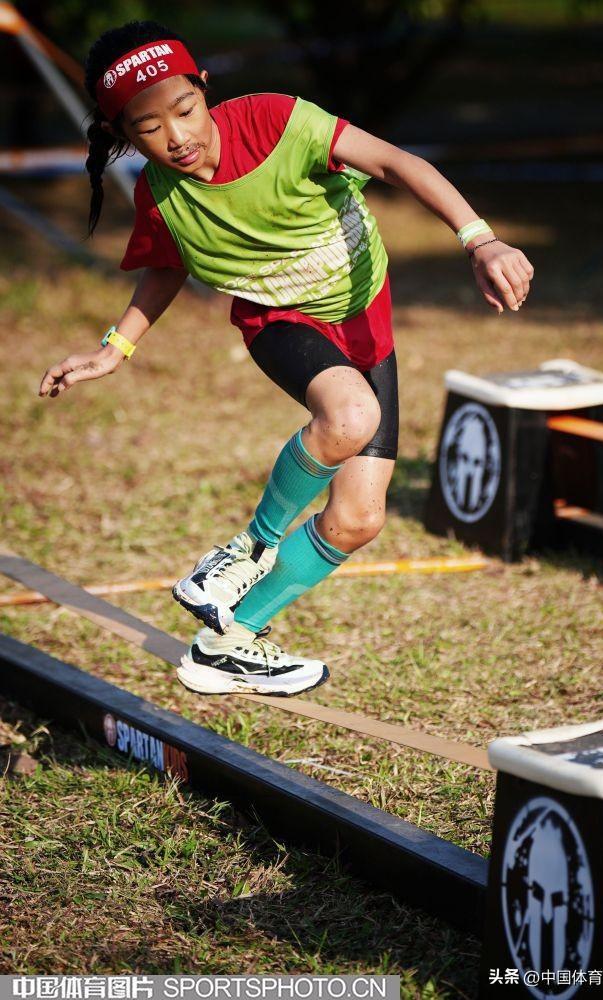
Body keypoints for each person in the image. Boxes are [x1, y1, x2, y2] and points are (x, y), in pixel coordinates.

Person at [39, 20, 534, 697]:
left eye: (185, 109)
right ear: (120, 131)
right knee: (350, 415)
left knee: (358, 518)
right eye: (149, 128)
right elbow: (167, 266)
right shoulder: (161, 194)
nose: (177, 137)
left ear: (204, 87)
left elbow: (396, 163)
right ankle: (243, 551)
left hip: (367, 322)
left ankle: (225, 644)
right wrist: (113, 349)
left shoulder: (277, 121)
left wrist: (480, 240)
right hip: (279, 320)